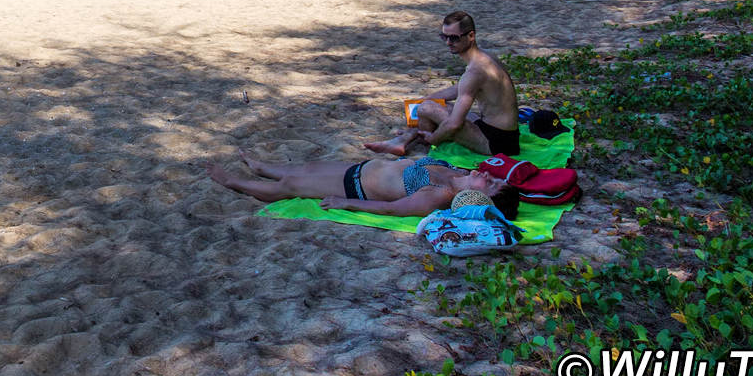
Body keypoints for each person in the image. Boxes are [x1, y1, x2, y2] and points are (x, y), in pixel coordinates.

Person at [364, 11, 523, 158]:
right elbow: (459, 88)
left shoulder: (475, 71)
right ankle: (405, 139)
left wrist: (435, 137)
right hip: (503, 133)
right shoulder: (485, 57)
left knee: (426, 108)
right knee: (431, 103)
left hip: (498, 144)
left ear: (471, 36)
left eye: (454, 38)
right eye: (444, 37)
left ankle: (420, 142)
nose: (448, 43)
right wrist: (428, 97)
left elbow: (454, 124)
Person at [205, 152, 520, 219]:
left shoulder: (440, 196)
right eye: (496, 176)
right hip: (364, 168)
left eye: (493, 184)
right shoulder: (456, 170)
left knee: (291, 185)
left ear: (480, 199)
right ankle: (262, 166)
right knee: (308, 164)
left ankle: (235, 183)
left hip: (354, 186)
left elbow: (392, 208)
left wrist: (348, 204)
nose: (491, 176)